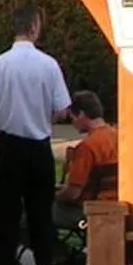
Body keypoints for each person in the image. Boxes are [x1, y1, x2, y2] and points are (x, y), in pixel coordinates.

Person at [0, 5, 72, 265]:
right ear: (34, 28)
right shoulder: (49, 65)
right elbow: (62, 109)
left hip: (10, 146)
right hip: (39, 145)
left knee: (7, 219)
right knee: (41, 218)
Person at [55, 90, 119, 233]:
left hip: (90, 210)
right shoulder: (116, 137)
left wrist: (55, 195)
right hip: (117, 206)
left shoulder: (87, 147)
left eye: (72, 118)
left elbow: (73, 192)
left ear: (82, 114)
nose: (73, 124)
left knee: (35, 211)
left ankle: (56, 252)